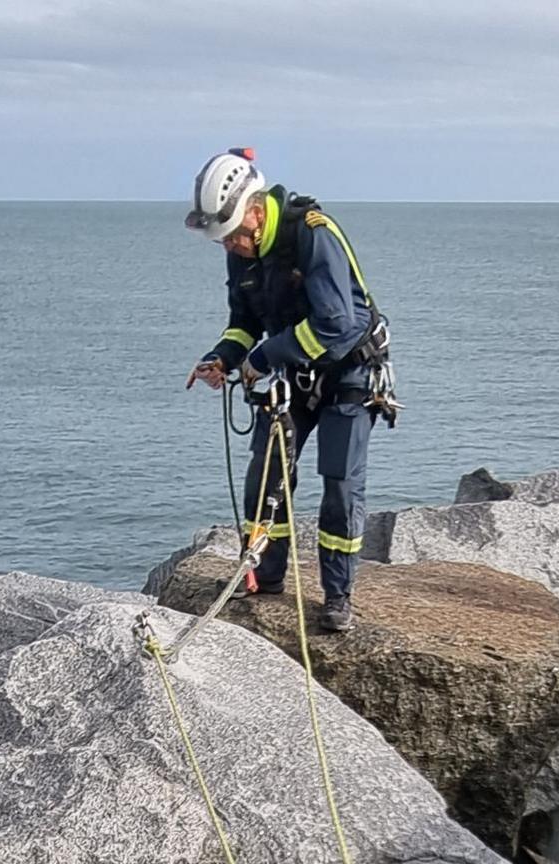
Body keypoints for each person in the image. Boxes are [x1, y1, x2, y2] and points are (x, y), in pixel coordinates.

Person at [183, 148, 393, 632]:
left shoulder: (315, 235)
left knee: (340, 483)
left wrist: (264, 357)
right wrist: (225, 357)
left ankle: (337, 595)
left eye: (234, 235)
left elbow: (337, 325)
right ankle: (265, 571)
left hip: (349, 374)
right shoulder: (243, 252)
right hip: (292, 375)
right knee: (266, 476)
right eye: (222, 240)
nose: (230, 247)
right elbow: (245, 321)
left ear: (256, 212)